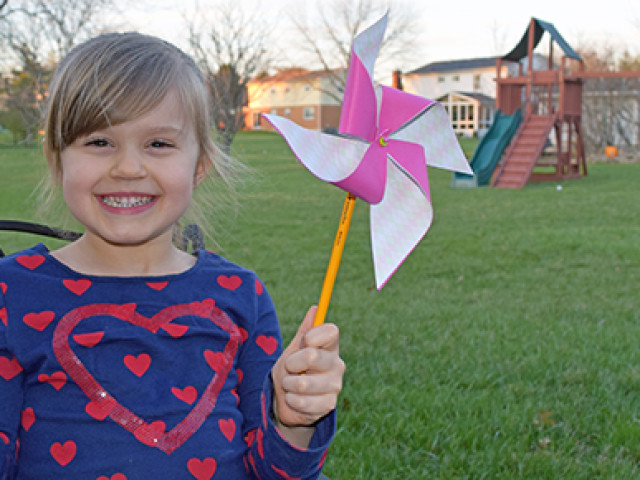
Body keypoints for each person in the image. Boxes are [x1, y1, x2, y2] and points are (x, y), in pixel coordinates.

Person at [0, 32, 344, 479]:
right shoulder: (12, 292)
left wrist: (294, 420)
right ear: (57, 157)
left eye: (158, 144)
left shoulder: (240, 294)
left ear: (199, 165)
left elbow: (276, 472)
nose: (128, 168)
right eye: (99, 142)